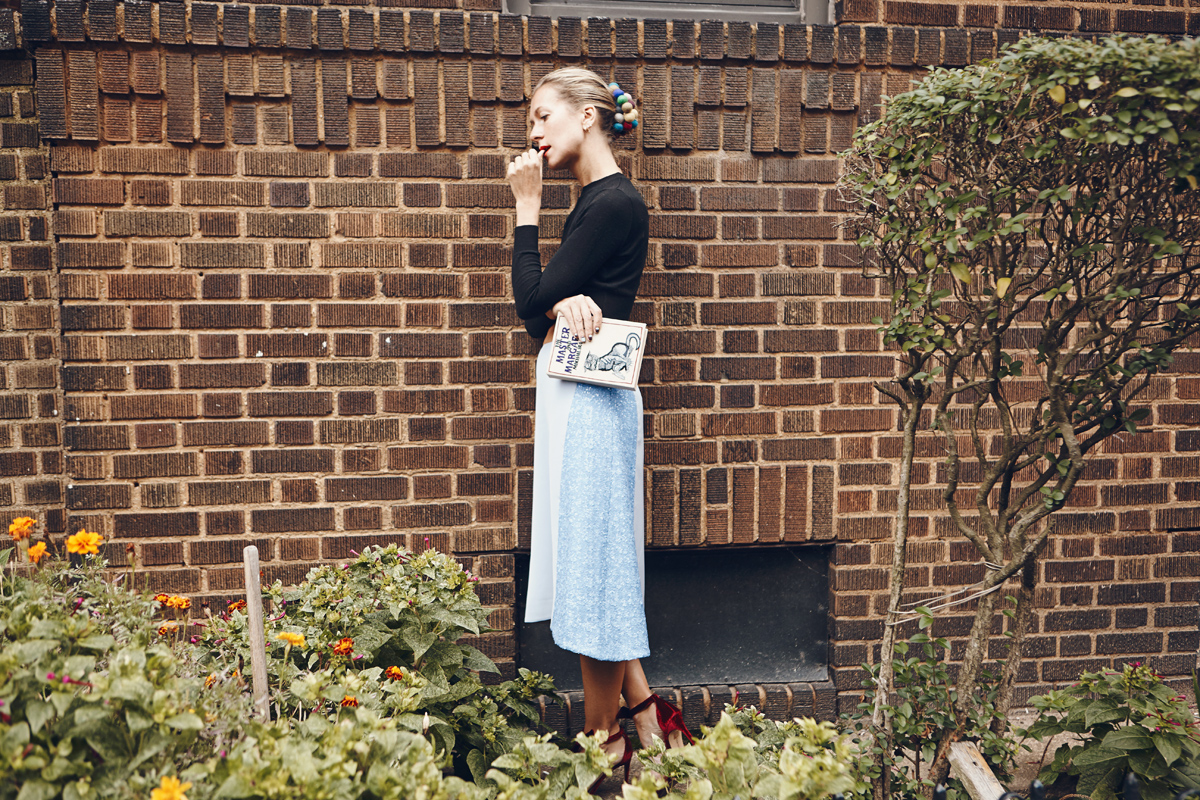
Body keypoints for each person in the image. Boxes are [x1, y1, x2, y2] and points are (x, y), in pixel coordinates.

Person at [506, 67, 693, 785]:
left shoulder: (613, 202)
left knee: (595, 575)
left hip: (591, 402)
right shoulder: (593, 202)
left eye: (541, 115)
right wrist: (560, 303)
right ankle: (645, 718)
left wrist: (527, 208)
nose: (533, 131)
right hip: (575, 397)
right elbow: (539, 315)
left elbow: (527, 298)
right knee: (595, 567)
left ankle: (602, 748)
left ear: (586, 116)